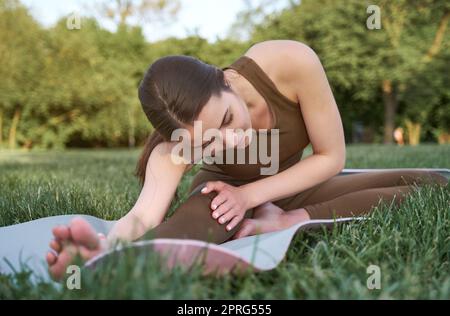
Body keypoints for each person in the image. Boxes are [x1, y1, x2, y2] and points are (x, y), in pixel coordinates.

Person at [46, 40, 448, 280]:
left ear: (223, 79)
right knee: (190, 227)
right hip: (221, 198)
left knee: (431, 183)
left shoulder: (290, 63)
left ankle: (291, 218)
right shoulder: (175, 147)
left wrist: (257, 197)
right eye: (209, 145)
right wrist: (108, 241)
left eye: (226, 119)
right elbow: (144, 217)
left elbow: (331, 156)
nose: (233, 139)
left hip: (298, 183)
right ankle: (104, 264)